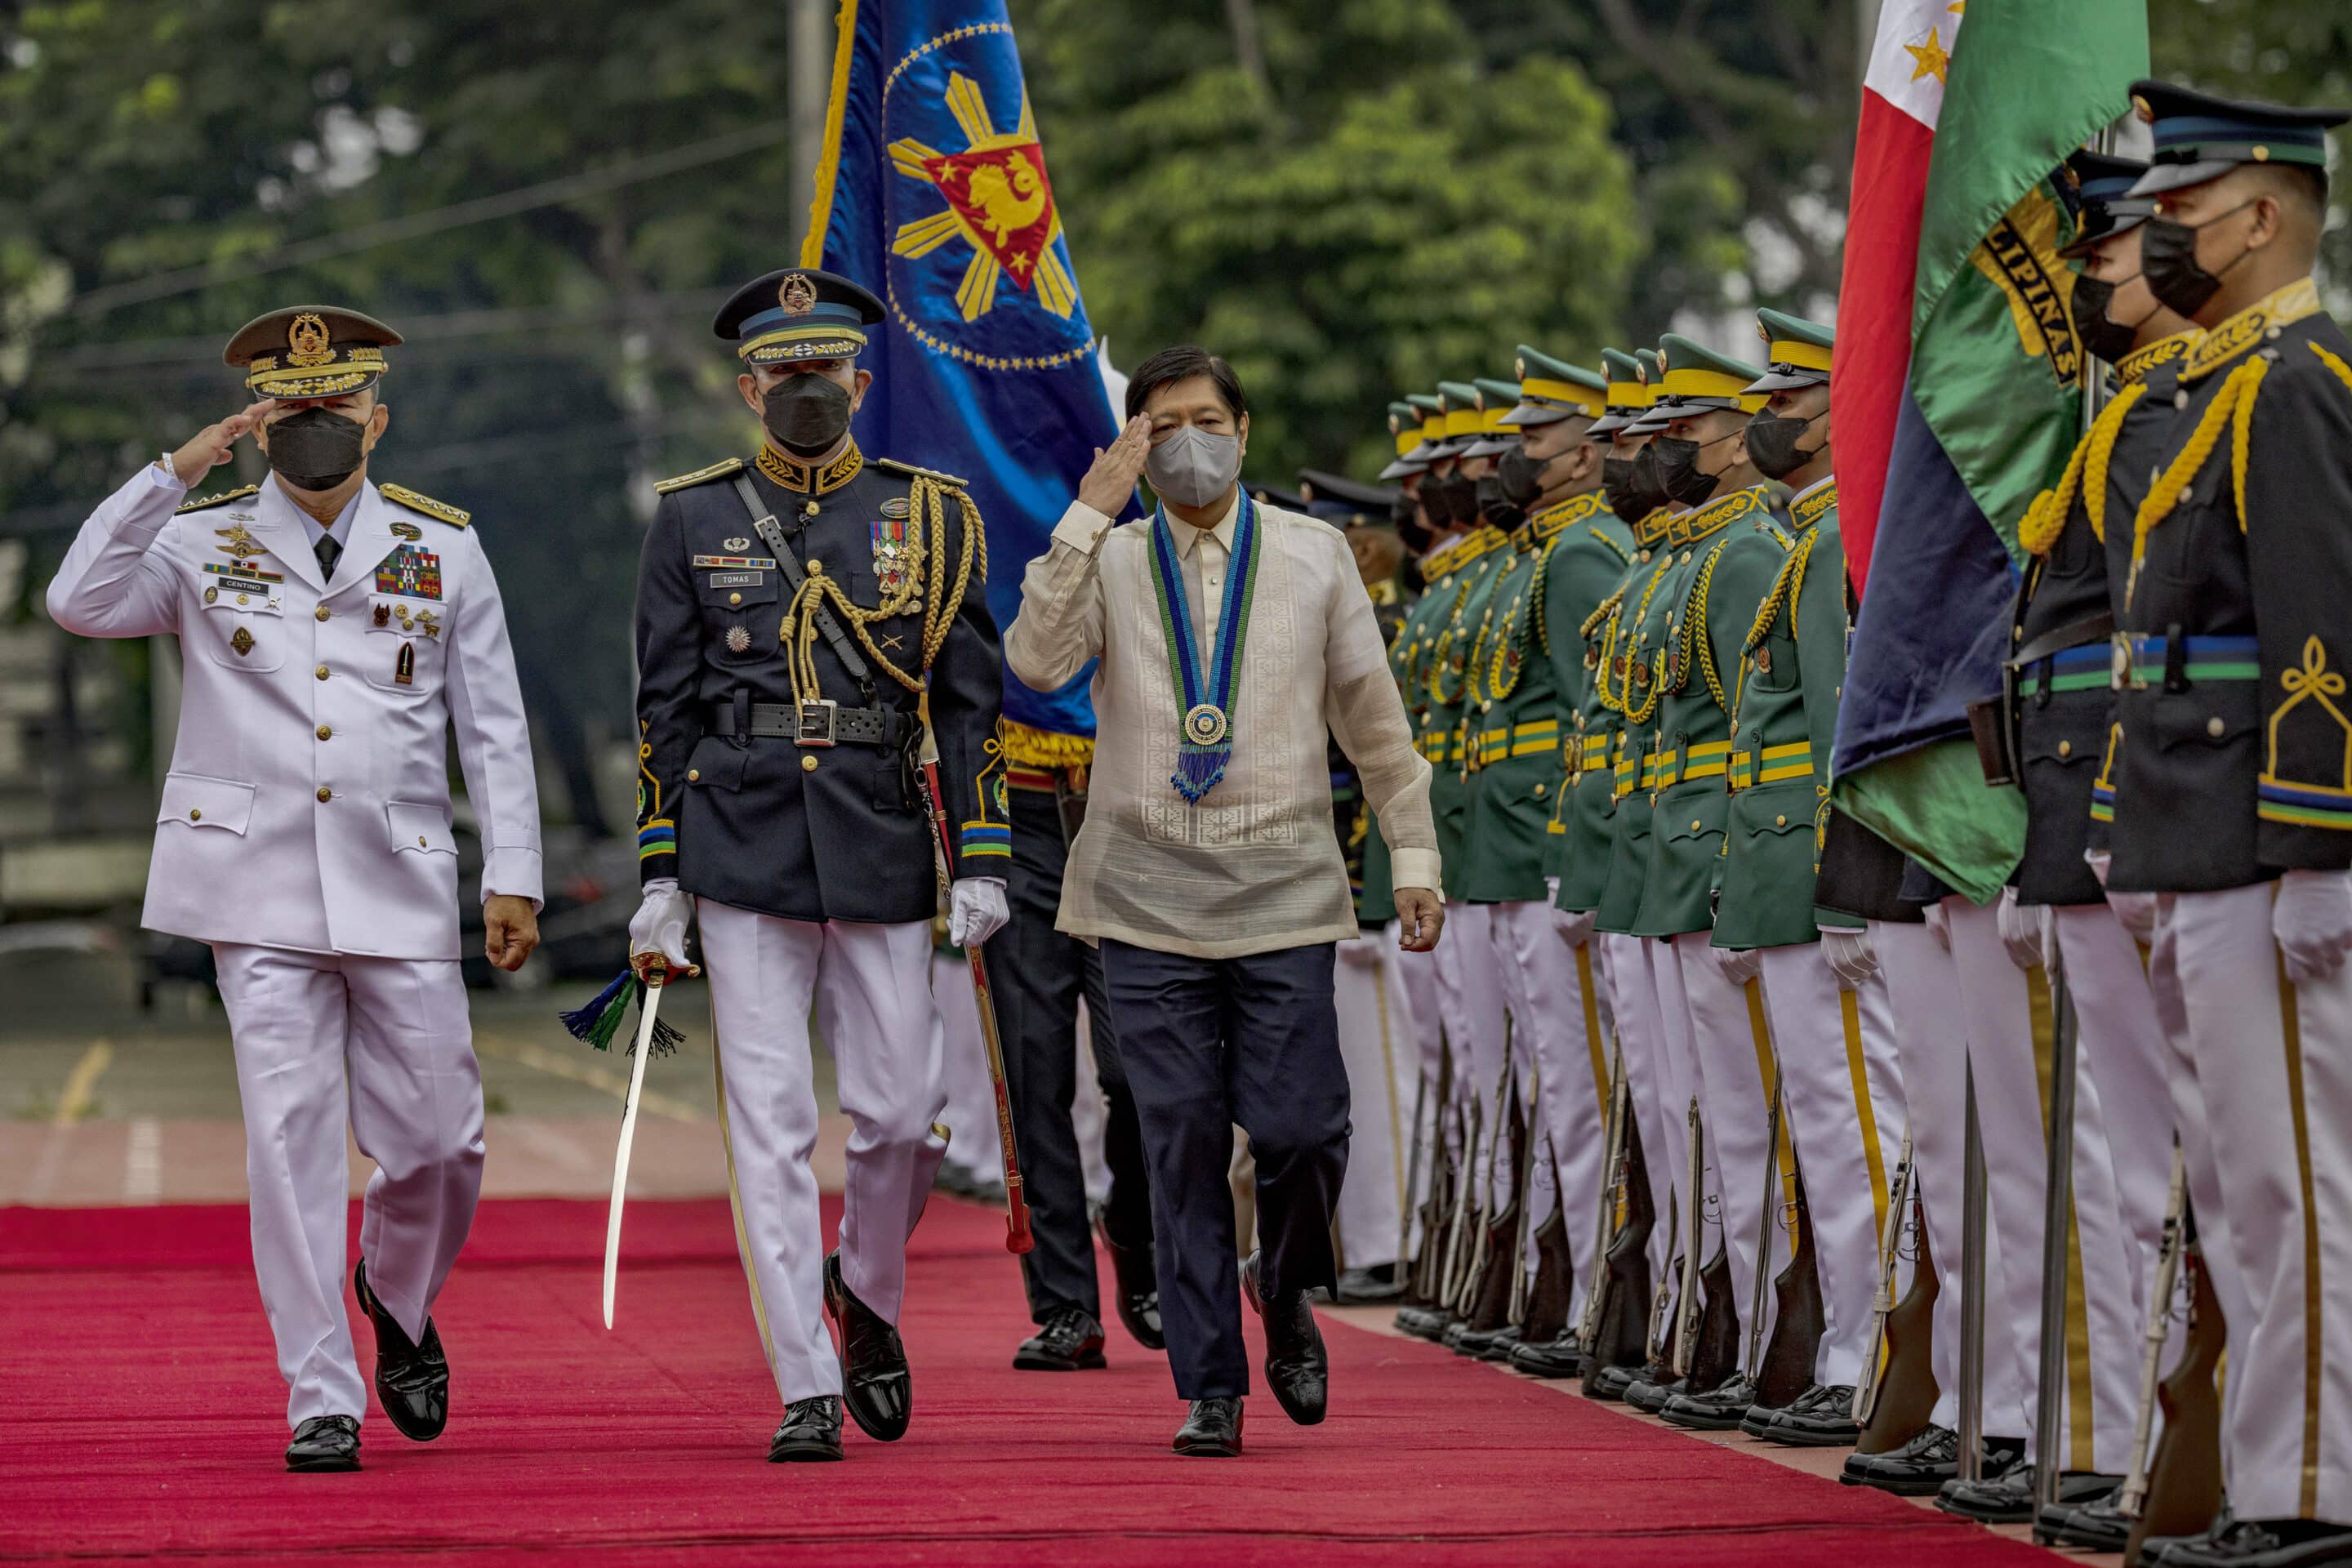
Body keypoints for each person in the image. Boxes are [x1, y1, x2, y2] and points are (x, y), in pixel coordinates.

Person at [47, 307, 544, 1473]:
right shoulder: (195, 539)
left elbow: (497, 724)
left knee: (440, 1142)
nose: (318, 428)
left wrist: (511, 874)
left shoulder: (445, 548)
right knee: (289, 1142)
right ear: (264, 424)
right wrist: (178, 468)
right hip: (250, 886)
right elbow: (77, 600)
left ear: (377, 416)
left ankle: (398, 1293)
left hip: (400, 881)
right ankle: (320, 1393)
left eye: (336, 408)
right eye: (293, 411)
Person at [1005, 344, 1443, 1459]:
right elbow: (1036, 661)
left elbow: (1374, 723)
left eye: (1206, 419)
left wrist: (1417, 857)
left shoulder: (1313, 556)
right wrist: (1085, 513)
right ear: (1135, 443)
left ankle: (1285, 1285)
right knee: (1180, 1142)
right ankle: (1212, 1383)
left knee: (1302, 1130)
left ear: (1244, 432)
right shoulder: (1108, 557)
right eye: (1162, 425)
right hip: (1143, 899)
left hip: (1287, 890)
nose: (1189, 441)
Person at [626, 266, 1009, 1463]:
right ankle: (804, 1377)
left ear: (861, 374)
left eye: (824, 369)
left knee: (901, 1120)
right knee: (772, 1126)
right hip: (740, 847)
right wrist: (660, 876)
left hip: (884, 837)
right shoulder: (692, 517)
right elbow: (662, 710)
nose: (806, 388)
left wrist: (982, 852)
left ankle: (867, 1290)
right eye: (782, 373)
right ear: (749, 385)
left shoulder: (933, 516)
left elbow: (968, 704)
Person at [2102, 84, 2352, 1568]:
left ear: (2261, 215)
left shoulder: (2303, 380)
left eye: (2181, 211)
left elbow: (2322, 628)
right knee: (2243, 1193)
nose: (2157, 236)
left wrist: (2321, 845)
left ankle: (2315, 1491)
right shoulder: (2210, 389)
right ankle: (2278, 1478)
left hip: (2271, 847)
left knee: (2292, 1180)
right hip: (2197, 838)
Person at [1670, 310, 1907, 1446]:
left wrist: (1839, 885)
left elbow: (1827, 738)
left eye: (1784, 403)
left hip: (1812, 882)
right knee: (1818, 1125)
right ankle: (1842, 1349)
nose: (1765, 422)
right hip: (1769, 877)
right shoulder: (1801, 541)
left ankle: (1867, 1355)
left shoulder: (1819, 546)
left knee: (1851, 1127)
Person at [1613, 334, 1780, 1418]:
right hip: (1657, 863)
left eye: (1685, 431)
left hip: (1709, 856)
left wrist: (1724, 859)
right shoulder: (1681, 560)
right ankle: (1700, 1321)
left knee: (1742, 1112)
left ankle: (1760, 1333)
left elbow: (1745, 738)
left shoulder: (1748, 553)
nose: (1665, 450)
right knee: (1681, 1108)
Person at [1458, 348, 1626, 1372]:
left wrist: (1573, 852)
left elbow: (1587, 719)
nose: (1516, 458)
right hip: (1504, 848)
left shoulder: (1579, 556)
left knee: (1579, 1079)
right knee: (1540, 1080)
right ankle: (1565, 1286)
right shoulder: (1538, 554)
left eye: (1533, 441)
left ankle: (1602, 1291)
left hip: (1539, 847)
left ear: (1581, 457)